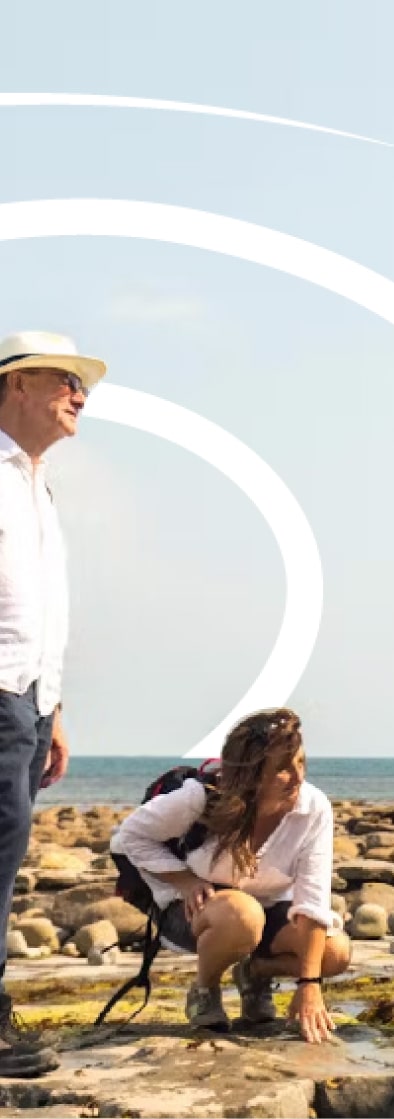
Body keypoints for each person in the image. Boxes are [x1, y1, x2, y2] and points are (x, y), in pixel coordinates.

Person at [110, 708, 350, 1043]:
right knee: (242, 914)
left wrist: (309, 986)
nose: (297, 777)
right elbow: (127, 836)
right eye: (281, 768)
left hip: (267, 911)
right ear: (252, 775)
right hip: (197, 912)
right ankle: (205, 990)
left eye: (300, 763)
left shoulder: (313, 807)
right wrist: (185, 880)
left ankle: (254, 974)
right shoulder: (200, 799)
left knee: (335, 952)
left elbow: (313, 900)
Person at [0, 331, 107, 1078]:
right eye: (66, 380)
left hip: (30, 702)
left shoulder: (38, 485)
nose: (80, 395)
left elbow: (42, 608)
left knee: (5, 858)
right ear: (15, 386)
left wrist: (55, 707)